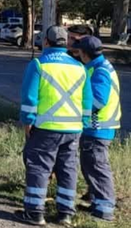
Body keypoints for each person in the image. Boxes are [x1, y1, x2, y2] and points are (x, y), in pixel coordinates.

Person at [15, 26, 93, 226]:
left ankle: (34, 212)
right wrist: (82, 125)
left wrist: (27, 124)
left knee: (39, 169)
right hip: (73, 130)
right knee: (68, 170)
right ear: (66, 43)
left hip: (45, 128)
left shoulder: (39, 64)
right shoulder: (80, 68)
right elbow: (87, 102)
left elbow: (29, 99)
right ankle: (65, 213)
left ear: (46, 42)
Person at [72, 36, 121, 222]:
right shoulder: (99, 66)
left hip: (98, 127)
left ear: (85, 53)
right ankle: (97, 203)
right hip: (98, 127)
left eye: (79, 51)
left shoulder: (100, 71)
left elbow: (98, 100)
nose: (77, 54)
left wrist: (77, 106)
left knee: (97, 167)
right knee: (91, 166)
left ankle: (105, 209)